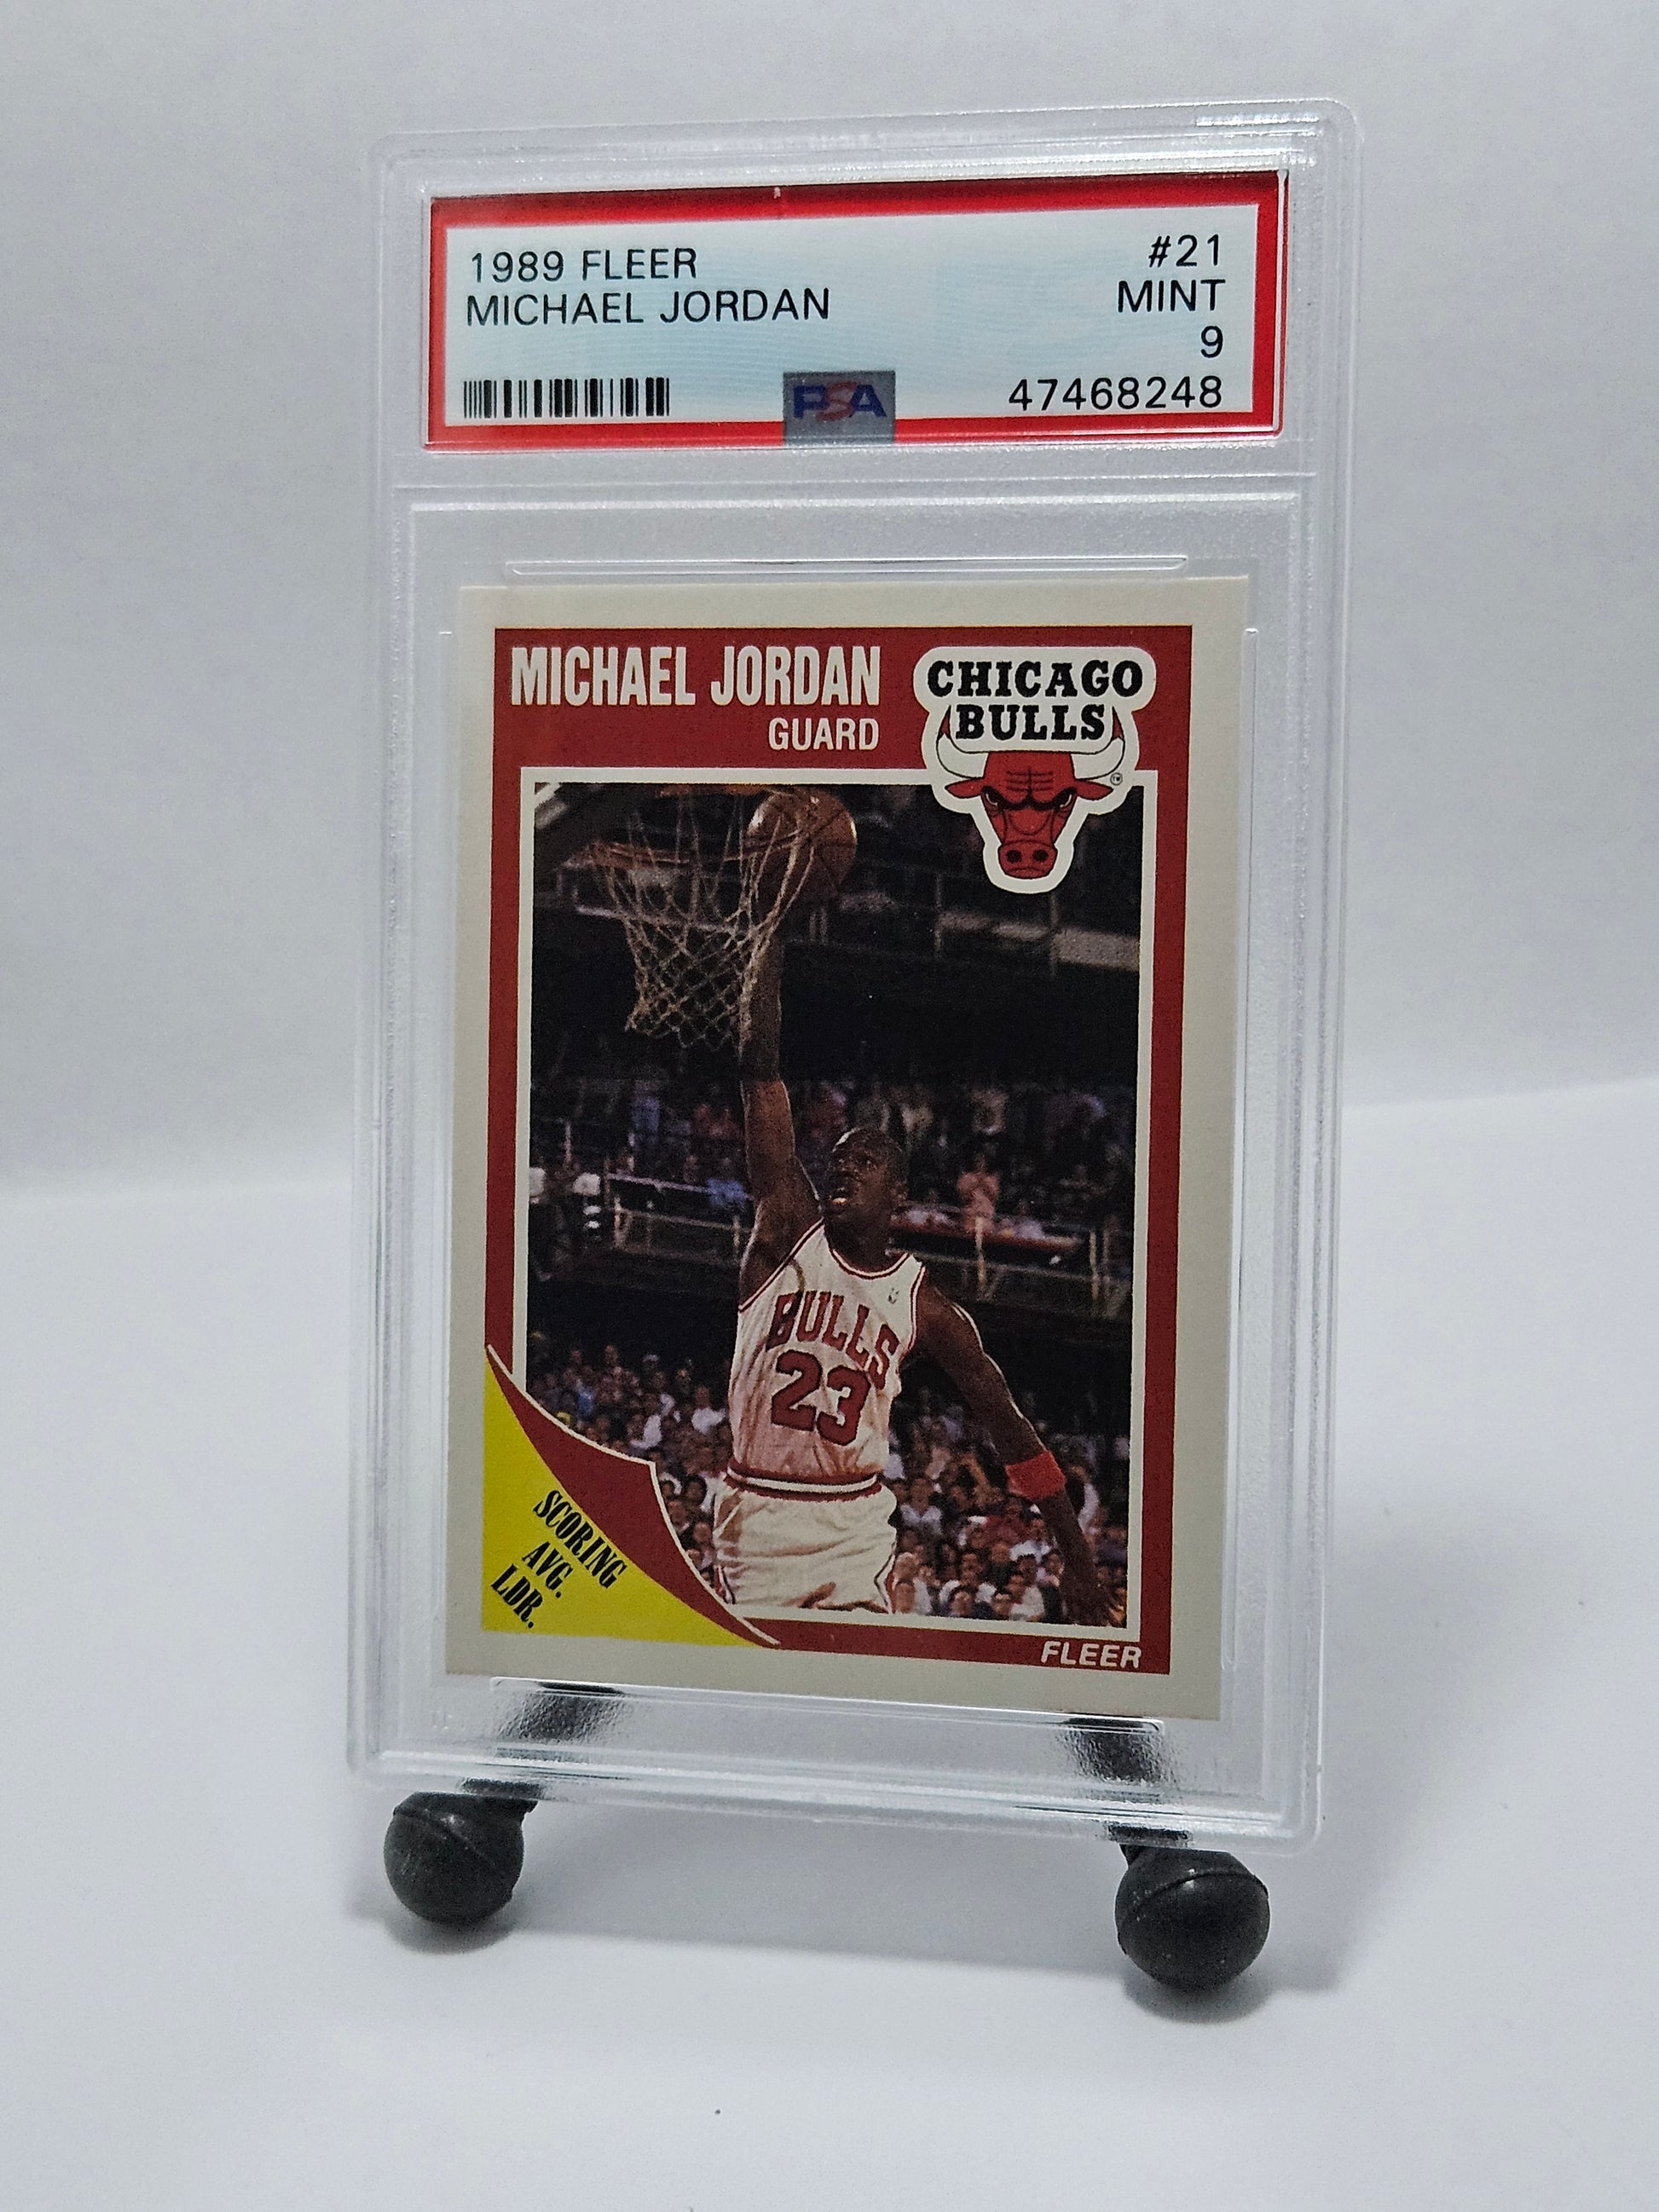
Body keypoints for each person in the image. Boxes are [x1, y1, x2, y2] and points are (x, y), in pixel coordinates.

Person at [716, 941, 1106, 1621]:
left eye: (864, 1160)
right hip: (759, 1510)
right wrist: (770, 940)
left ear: (897, 1194)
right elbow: (760, 1071)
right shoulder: (785, 1230)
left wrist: (1075, 1553)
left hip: (851, 1519)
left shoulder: (924, 1303)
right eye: (838, 1157)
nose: (843, 1166)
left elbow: (1009, 1427)